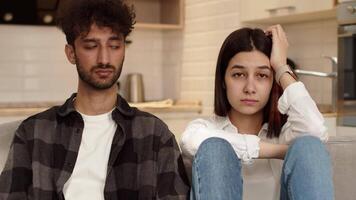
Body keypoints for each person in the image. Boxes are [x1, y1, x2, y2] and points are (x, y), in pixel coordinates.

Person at [0, 0, 190, 199]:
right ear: (71, 53)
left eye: (115, 46)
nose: (104, 59)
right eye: (91, 46)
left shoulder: (155, 135)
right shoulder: (33, 132)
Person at [180, 25, 334, 200]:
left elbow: (316, 132)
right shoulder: (204, 128)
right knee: (215, 148)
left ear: (272, 81)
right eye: (239, 74)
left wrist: (281, 67)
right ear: (223, 80)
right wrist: (282, 152)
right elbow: (191, 141)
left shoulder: (287, 134)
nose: (250, 88)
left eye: (262, 75)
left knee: (308, 147)